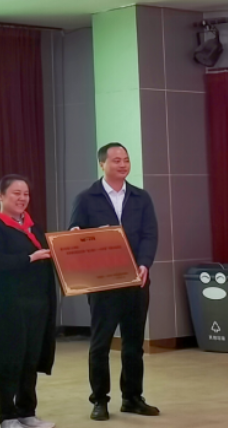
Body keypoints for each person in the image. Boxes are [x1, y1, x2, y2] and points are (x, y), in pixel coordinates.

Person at [69, 143, 159, 421]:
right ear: (102, 164)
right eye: (116, 160)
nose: (123, 164)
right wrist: (90, 234)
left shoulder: (141, 197)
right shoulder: (86, 198)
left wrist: (144, 264)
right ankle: (99, 400)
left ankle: (132, 398)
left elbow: (150, 234)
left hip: (135, 282)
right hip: (103, 283)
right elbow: (74, 235)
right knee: (101, 345)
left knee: (133, 345)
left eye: (126, 160)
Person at [0, 174, 58, 428]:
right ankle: (7, 416)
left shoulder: (35, 228)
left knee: (30, 360)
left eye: (26, 194)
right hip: (9, 308)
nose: (22, 198)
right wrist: (30, 258)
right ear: (0, 196)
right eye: (16, 193)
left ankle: (27, 412)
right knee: (9, 361)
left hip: (36, 306)